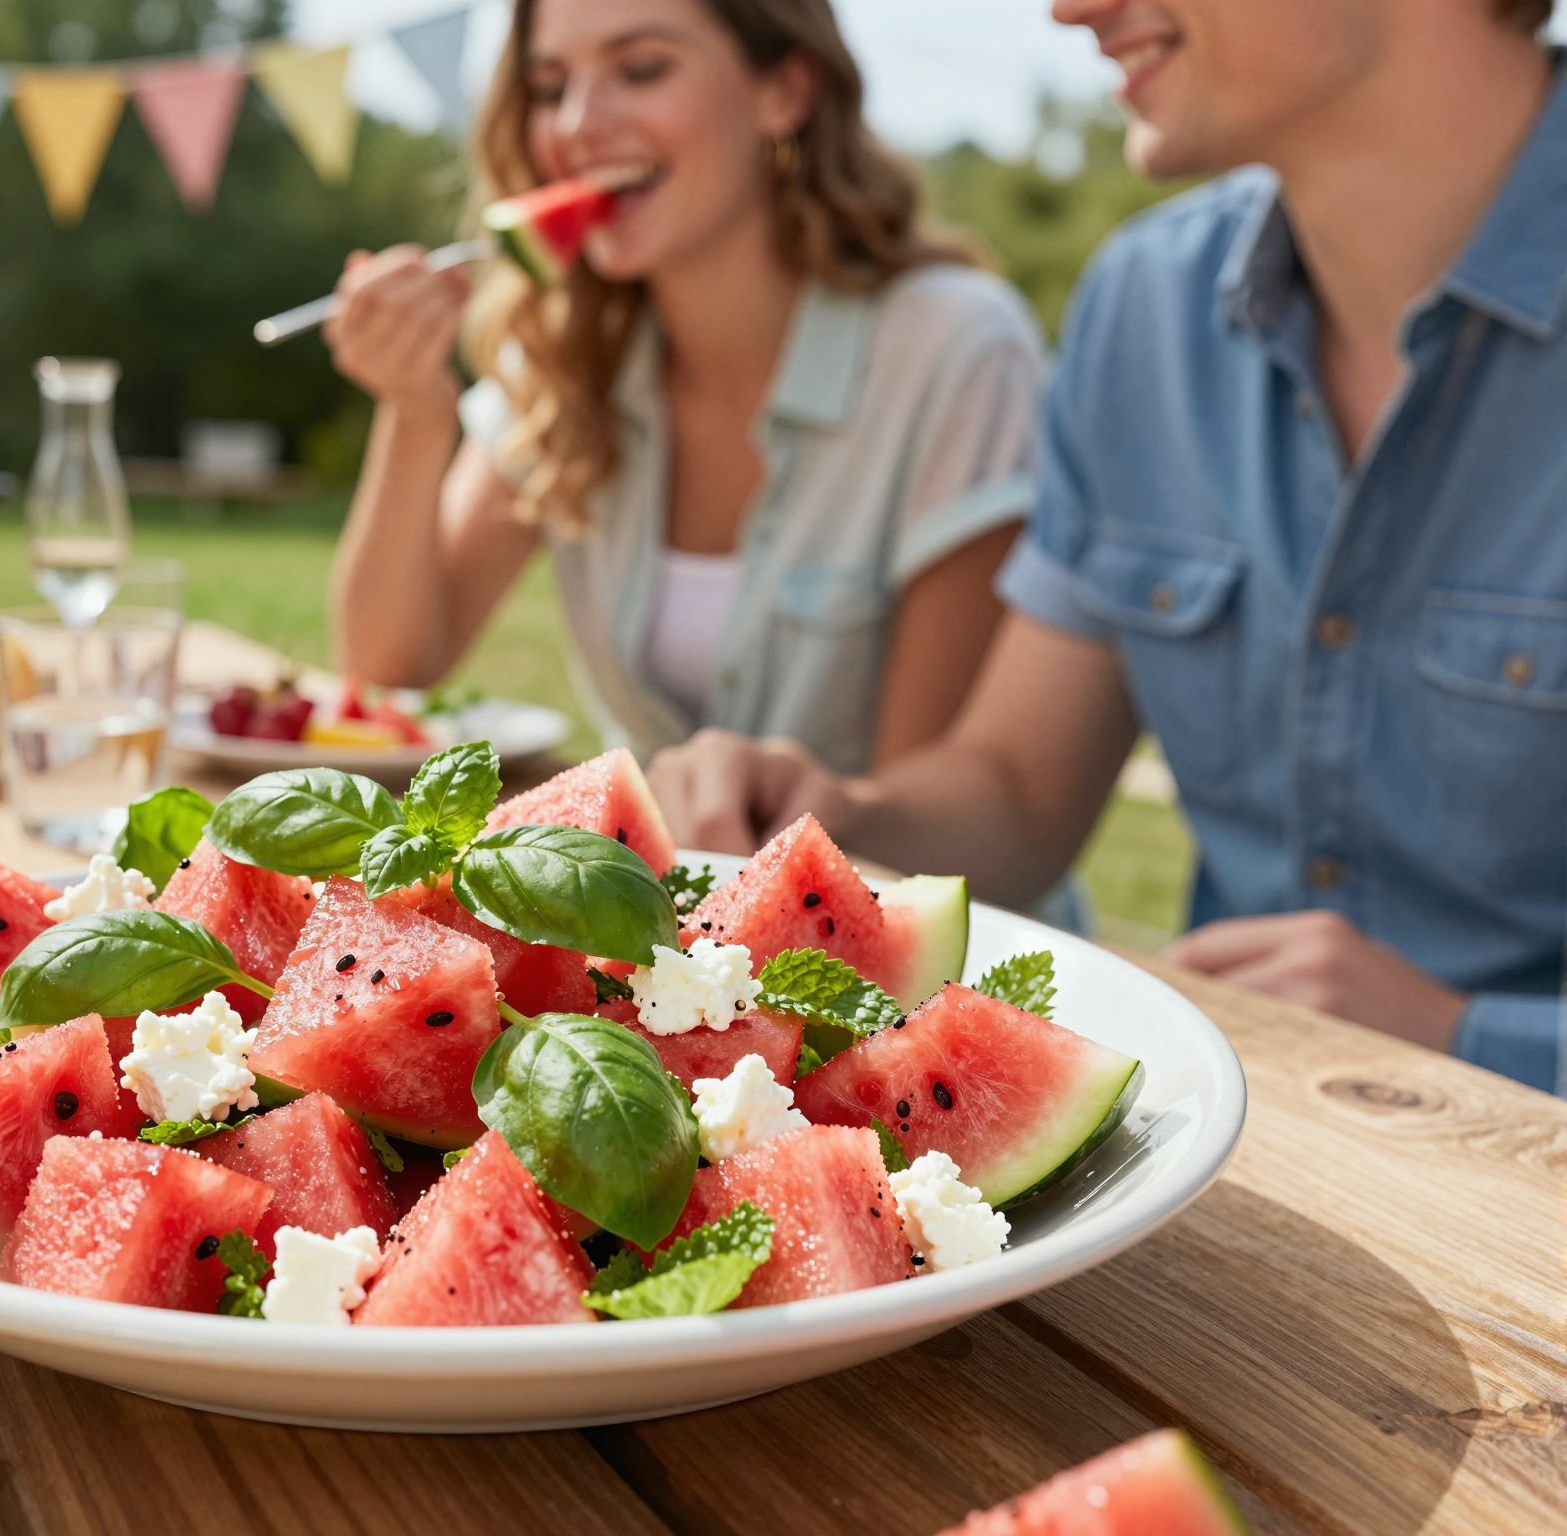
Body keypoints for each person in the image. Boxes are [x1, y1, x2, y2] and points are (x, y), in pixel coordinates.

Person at [649, 0, 1567, 1095]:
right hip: (1256, 1148)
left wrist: (1464, 1035)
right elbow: (1017, 790)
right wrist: (840, 815)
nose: (1070, 9)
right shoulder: (1145, 307)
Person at [322, 0, 1047, 789]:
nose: (578, 123)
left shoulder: (954, 351)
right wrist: (414, 411)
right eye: (549, 85)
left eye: (642, 70)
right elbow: (389, 671)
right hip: (672, 902)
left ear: (785, 90)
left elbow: (929, 811)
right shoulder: (564, 358)